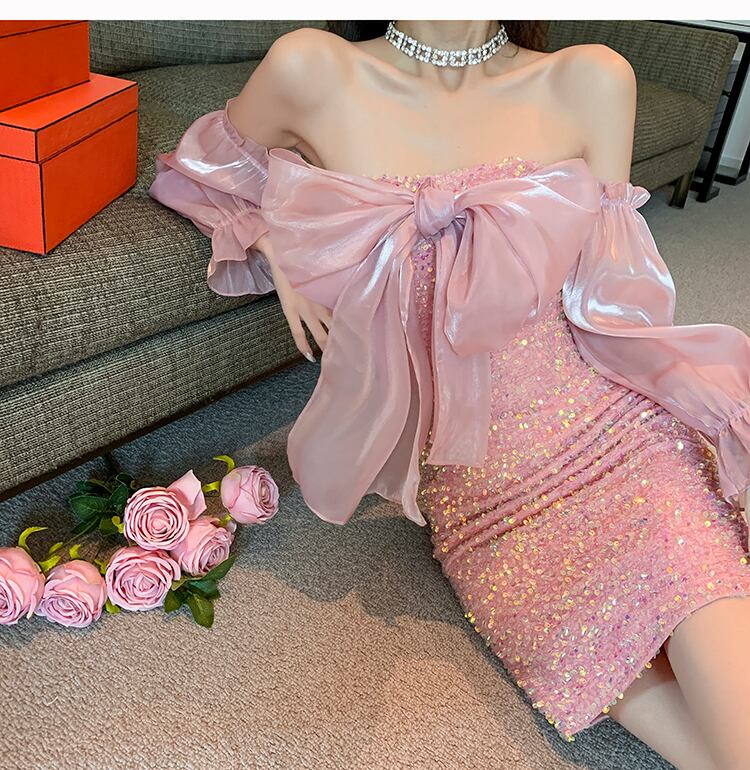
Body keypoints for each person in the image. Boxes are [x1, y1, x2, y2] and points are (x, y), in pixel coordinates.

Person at [149, 20, 750, 769]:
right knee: (627, 679)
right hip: (481, 495)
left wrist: (706, 405)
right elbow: (198, 168)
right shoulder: (312, 68)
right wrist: (270, 240)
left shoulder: (593, 79)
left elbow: (612, 299)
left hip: (613, 437)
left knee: (716, 668)